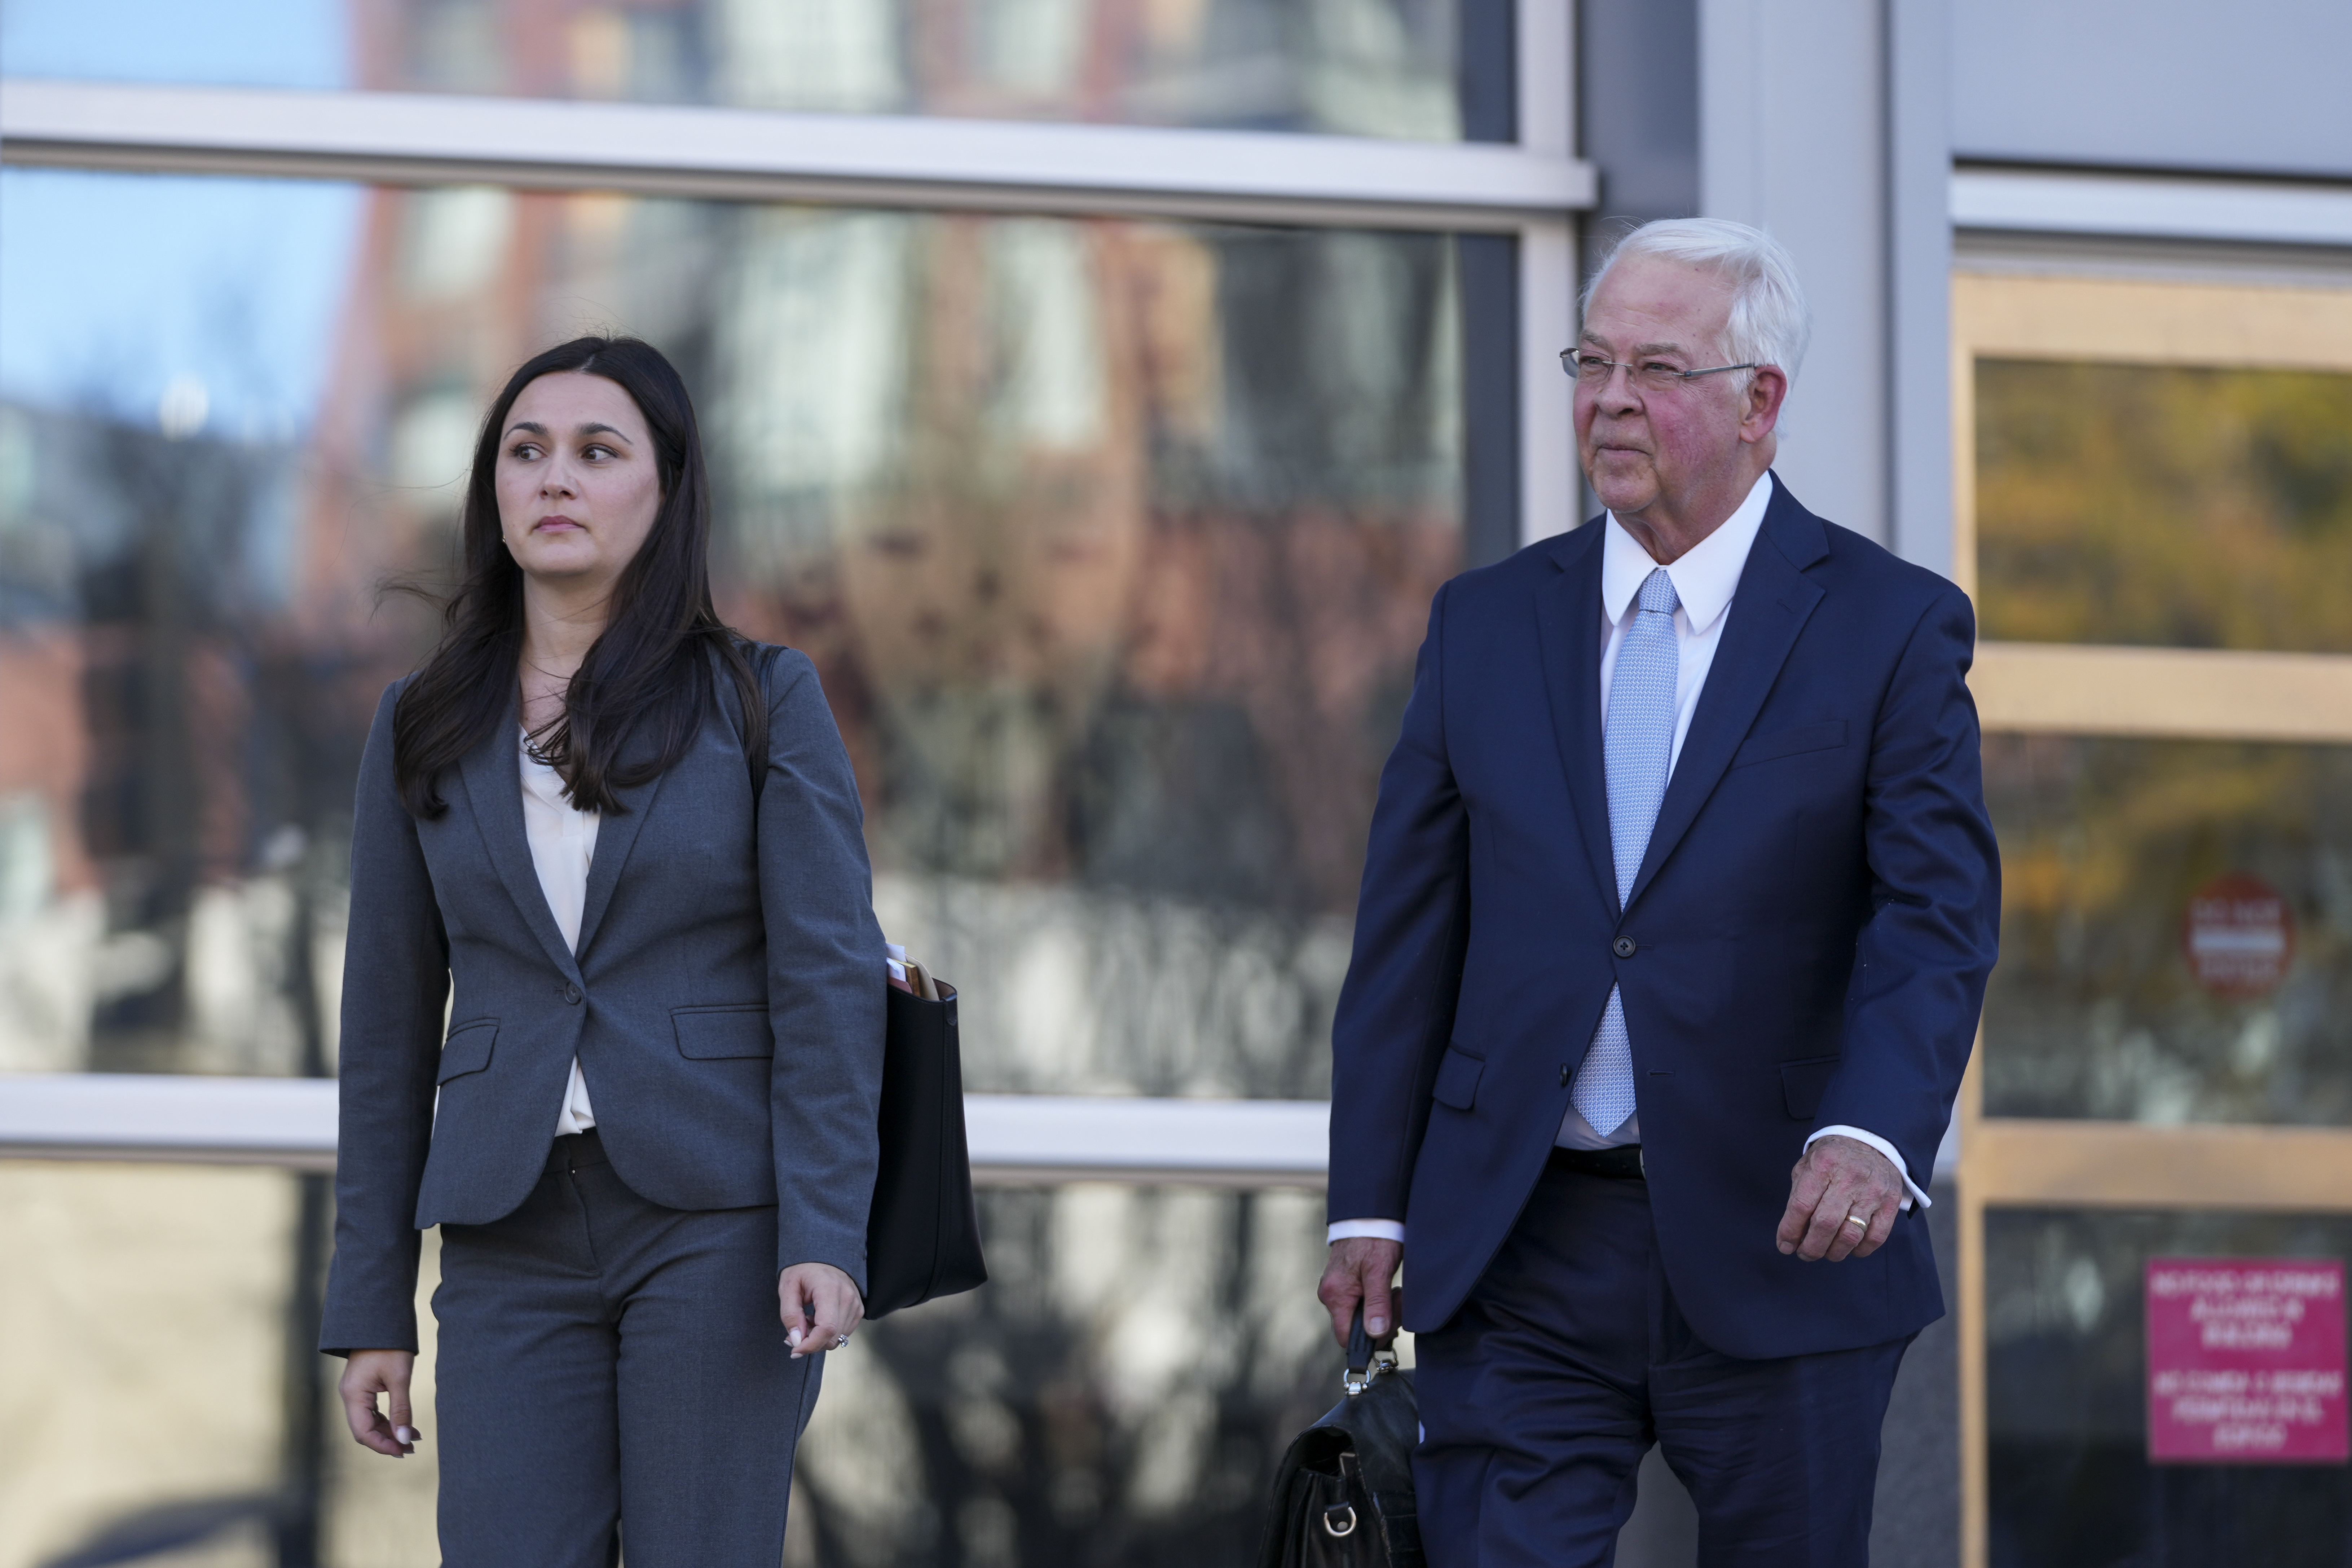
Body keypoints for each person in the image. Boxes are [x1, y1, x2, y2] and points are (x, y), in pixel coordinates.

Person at [1316, 219, 1999, 1566]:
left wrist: (1873, 1129)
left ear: (1761, 404)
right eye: (1592, 360)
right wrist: (1368, 1200)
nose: (1610, 397)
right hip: (1522, 1237)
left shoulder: (1888, 625)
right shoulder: (1483, 622)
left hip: (1780, 1234)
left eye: (1657, 368)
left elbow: (1934, 911)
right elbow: (1407, 933)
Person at [318, 336, 885, 1566]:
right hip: (505, 1231)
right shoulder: (421, 723)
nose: (554, 478)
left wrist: (825, 1231)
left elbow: (828, 983)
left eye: (596, 450)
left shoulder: (760, 697)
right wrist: (371, 1302)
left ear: (666, 490)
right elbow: (386, 1028)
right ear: (494, 494)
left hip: (717, 1225)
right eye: (525, 452)